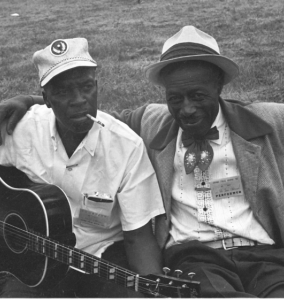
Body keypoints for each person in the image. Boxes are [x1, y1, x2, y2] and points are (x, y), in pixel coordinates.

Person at [1, 25, 284, 297]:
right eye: (175, 98)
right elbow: (81, 113)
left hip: (264, 255)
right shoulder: (153, 122)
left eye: (198, 95)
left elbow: (91, 112)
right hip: (198, 259)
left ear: (219, 85)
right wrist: (33, 101)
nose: (187, 110)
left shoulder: (269, 121)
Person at [0, 37, 165, 297]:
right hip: (31, 262)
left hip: (102, 257)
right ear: (46, 98)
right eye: (63, 92)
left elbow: (139, 237)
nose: (79, 100)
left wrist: (154, 288)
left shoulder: (126, 146)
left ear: (97, 87)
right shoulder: (20, 130)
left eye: (86, 87)